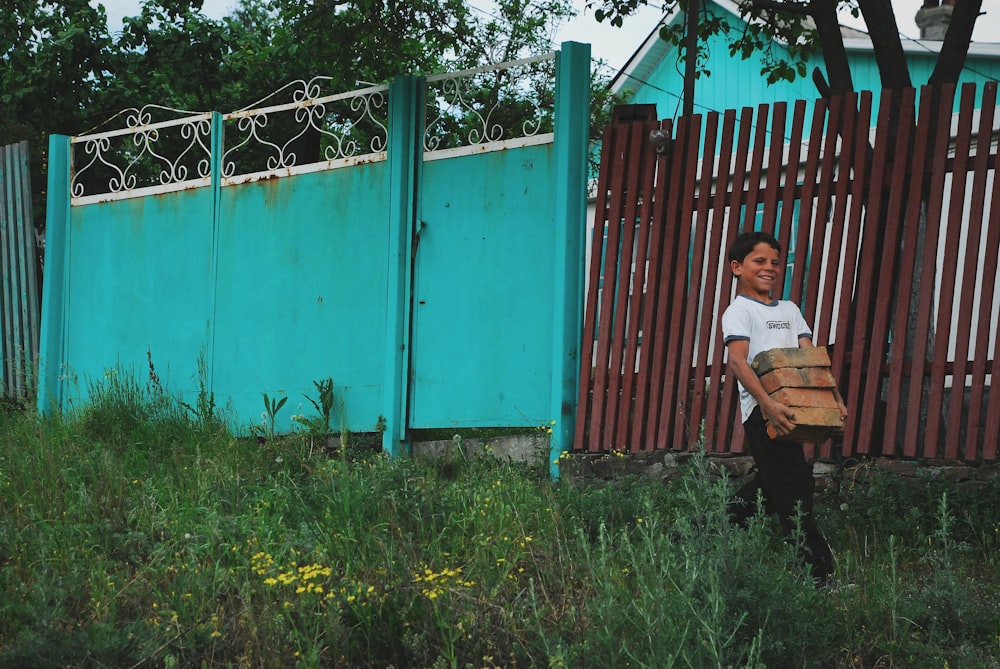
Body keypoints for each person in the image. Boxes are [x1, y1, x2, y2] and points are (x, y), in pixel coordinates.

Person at [721, 230, 845, 585]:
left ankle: (700, 533)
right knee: (794, 489)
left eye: (775, 262)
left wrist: (833, 399)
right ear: (737, 267)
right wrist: (767, 404)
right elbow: (738, 362)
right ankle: (817, 576)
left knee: (775, 486)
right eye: (759, 261)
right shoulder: (739, 311)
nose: (769, 268)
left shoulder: (790, 310)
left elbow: (810, 359)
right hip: (763, 415)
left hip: (798, 409)